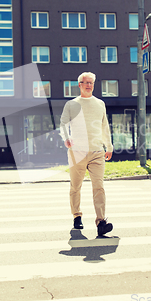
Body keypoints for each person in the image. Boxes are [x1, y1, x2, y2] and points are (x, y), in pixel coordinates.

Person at [60, 72, 114, 236]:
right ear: (79, 85)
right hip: (77, 152)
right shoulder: (71, 104)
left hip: (97, 151)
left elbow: (104, 126)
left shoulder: (100, 104)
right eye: (85, 82)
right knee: (76, 186)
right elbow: (63, 123)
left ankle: (101, 222)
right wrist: (66, 137)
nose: (88, 85)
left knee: (99, 187)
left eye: (91, 82)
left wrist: (109, 146)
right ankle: (77, 216)